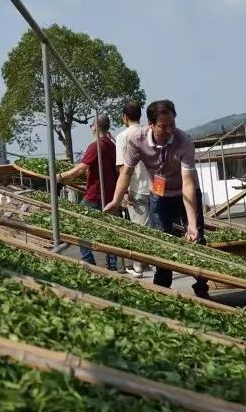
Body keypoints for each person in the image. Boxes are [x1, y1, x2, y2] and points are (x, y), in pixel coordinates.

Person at [104, 100, 211, 298]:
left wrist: (192, 224)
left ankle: (202, 289)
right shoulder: (137, 140)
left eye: (172, 124)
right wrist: (116, 200)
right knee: (161, 241)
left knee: (197, 240)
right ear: (151, 124)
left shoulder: (183, 141)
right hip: (160, 194)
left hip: (185, 192)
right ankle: (162, 290)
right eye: (163, 126)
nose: (169, 130)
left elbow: (187, 183)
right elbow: (126, 173)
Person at [57, 116, 118, 269]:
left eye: (91, 125)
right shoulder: (112, 145)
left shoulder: (95, 146)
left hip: (95, 195)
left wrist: (60, 176)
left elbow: (80, 168)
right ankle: (112, 264)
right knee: (110, 231)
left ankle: (88, 260)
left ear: (95, 127)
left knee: (78, 225)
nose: (90, 128)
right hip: (111, 195)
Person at [116, 100, 152, 277]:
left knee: (139, 231)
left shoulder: (123, 136)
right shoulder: (149, 131)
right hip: (156, 186)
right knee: (157, 228)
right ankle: (160, 265)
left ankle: (139, 267)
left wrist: (124, 192)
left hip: (136, 188)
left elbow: (123, 167)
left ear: (124, 117)